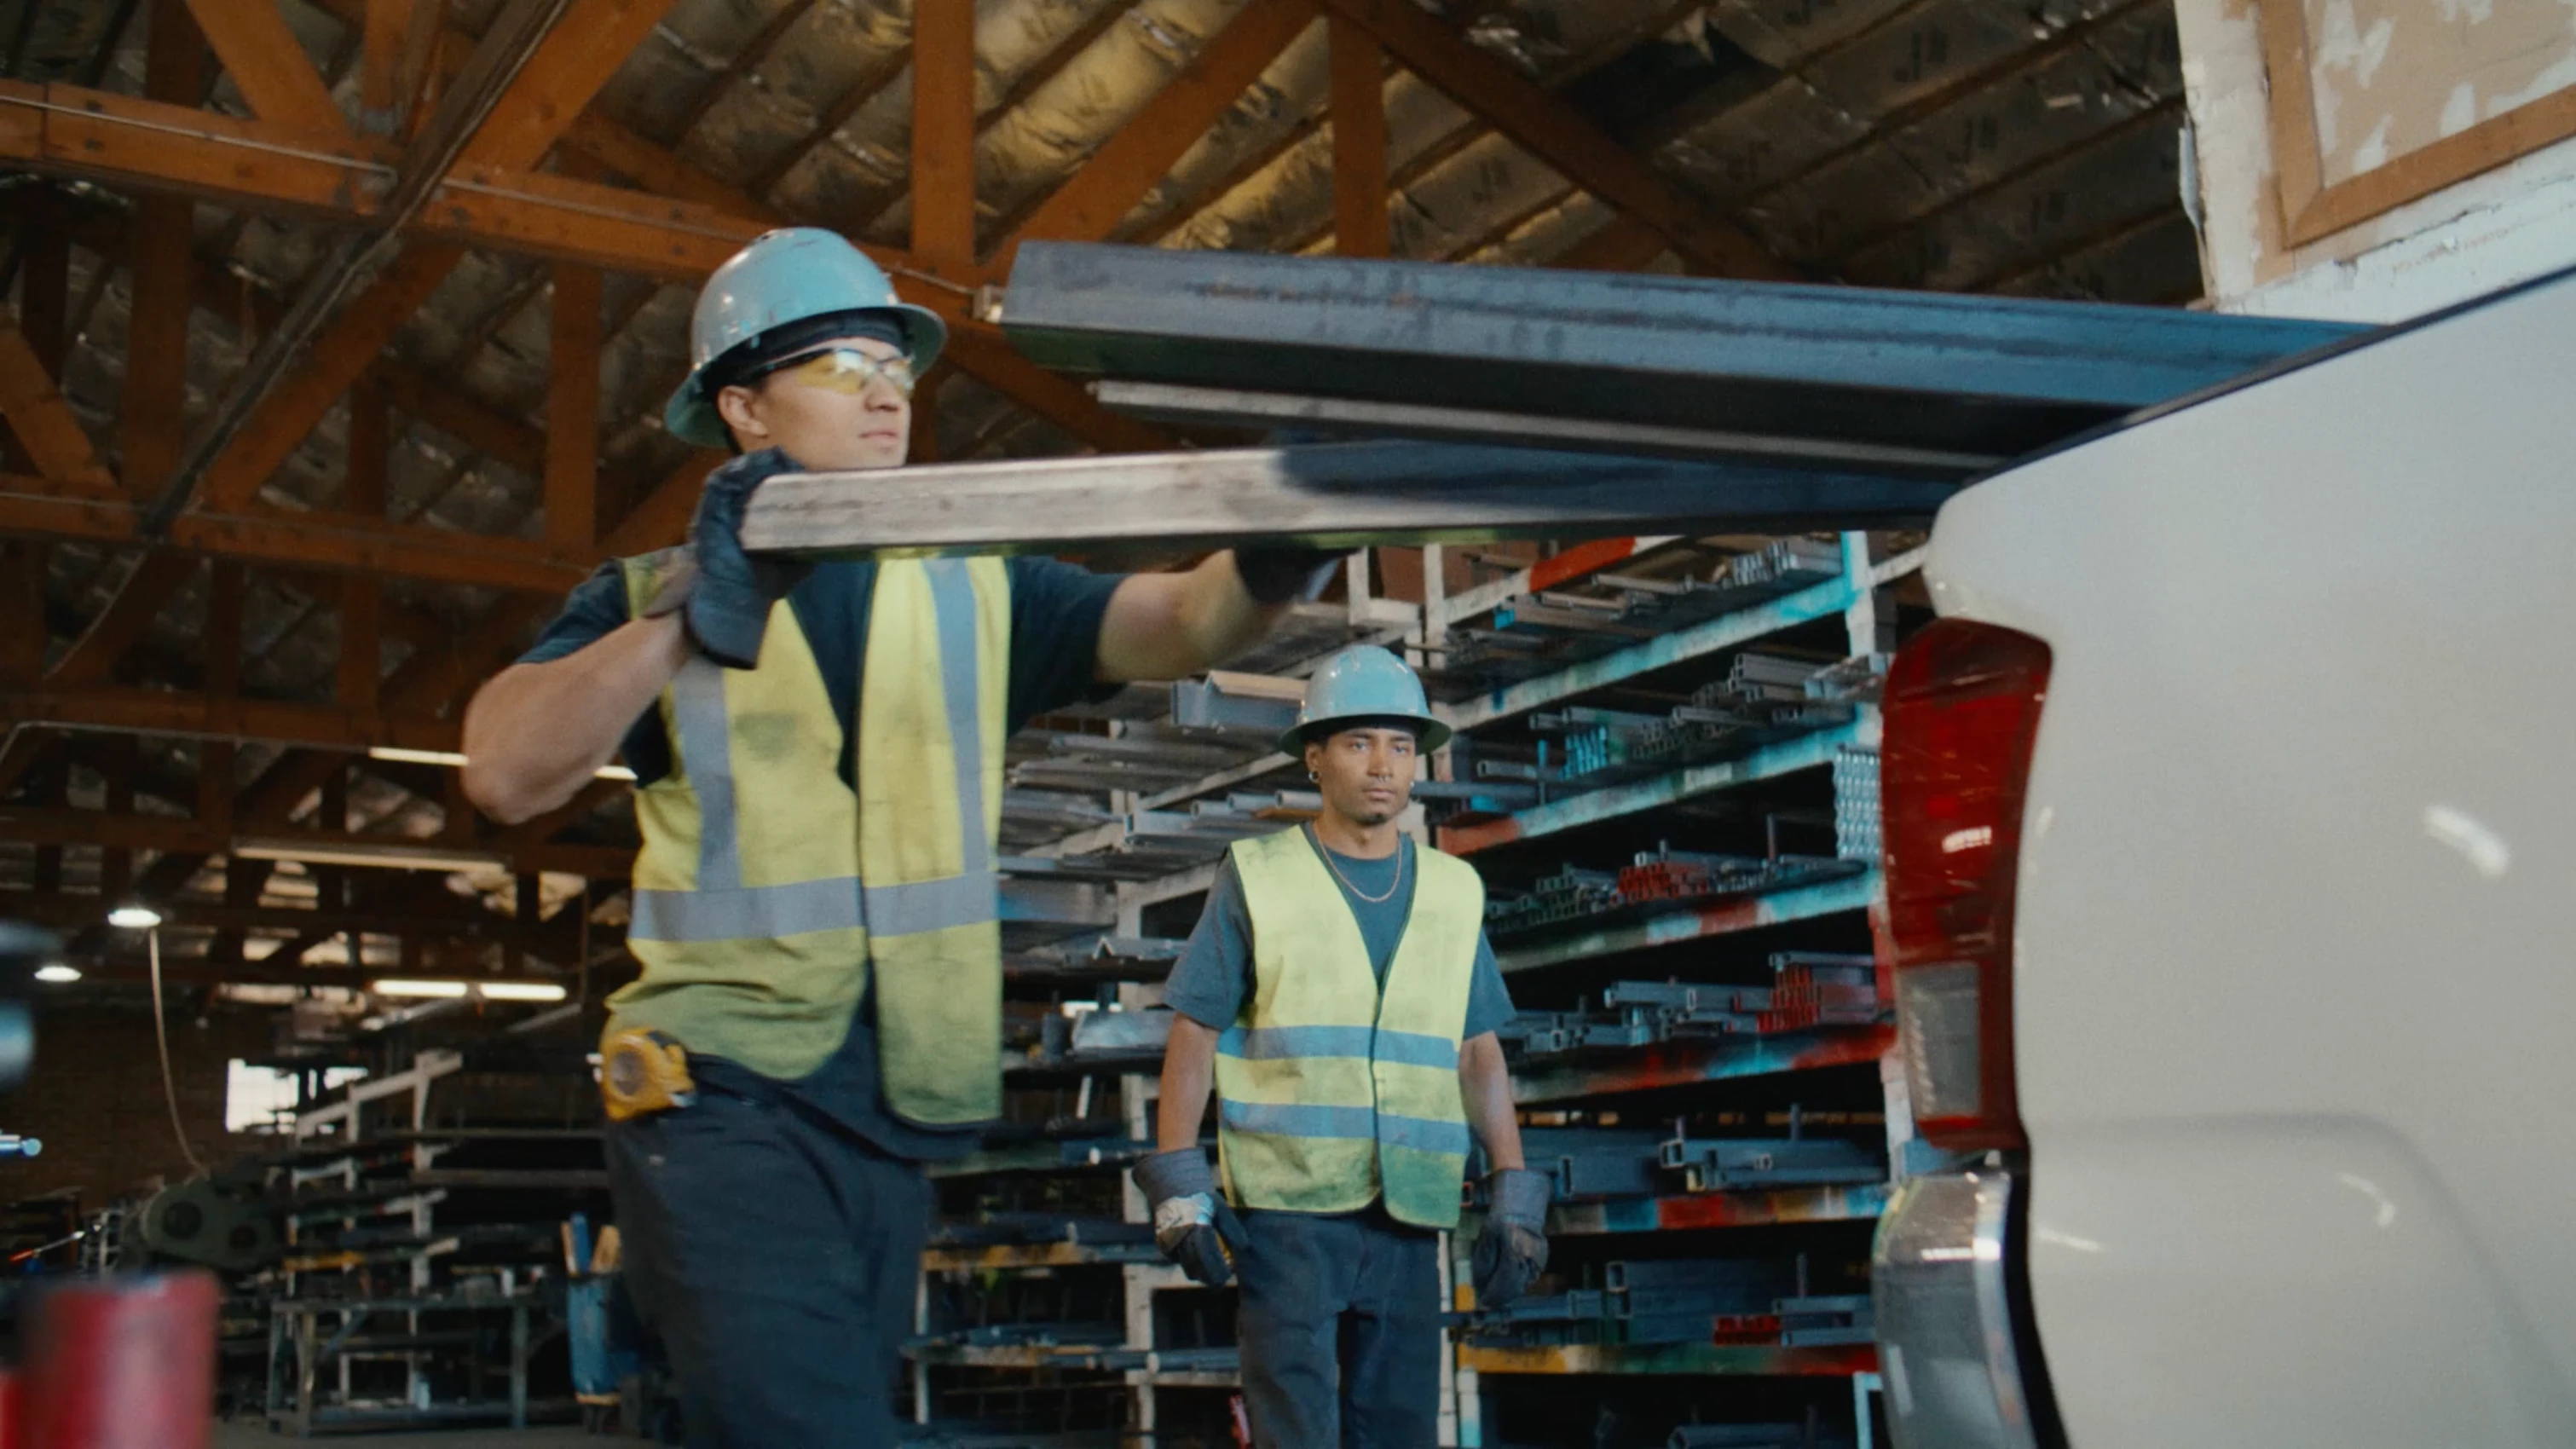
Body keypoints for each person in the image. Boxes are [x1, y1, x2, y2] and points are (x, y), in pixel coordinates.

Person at [459, 227, 1337, 1446]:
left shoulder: (974, 587)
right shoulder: (639, 595)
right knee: (804, 1429)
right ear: (745, 409)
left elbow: (1182, 620)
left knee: (774, 1423)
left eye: (895, 363)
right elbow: (503, 770)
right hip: (717, 1092)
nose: (883, 387)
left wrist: (1283, 545)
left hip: (887, 1110)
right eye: (836, 362)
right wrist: (685, 612)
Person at [1135, 645, 1554, 1448]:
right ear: (1316, 757)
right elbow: (1194, 1030)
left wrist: (1512, 1187)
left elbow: (1477, 1053)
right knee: (1296, 1431)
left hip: (1409, 1216)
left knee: (1399, 1431)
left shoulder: (1451, 889)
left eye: (1401, 746)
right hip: (1289, 1219)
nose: (1383, 767)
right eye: (1360, 743)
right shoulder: (1259, 876)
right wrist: (1179, 1183)